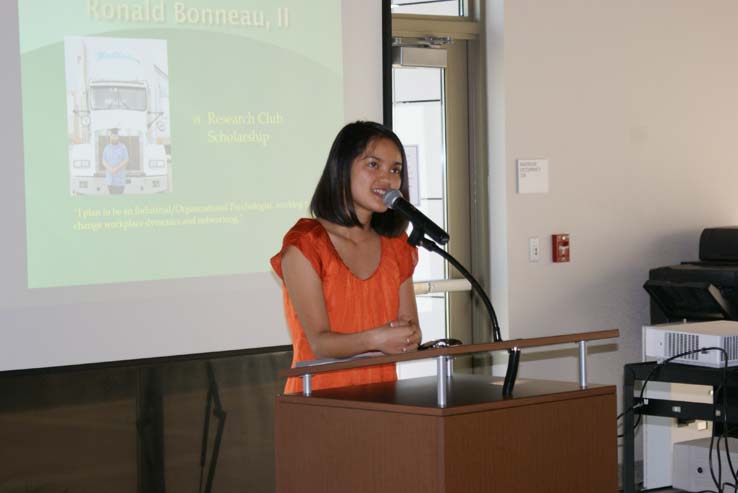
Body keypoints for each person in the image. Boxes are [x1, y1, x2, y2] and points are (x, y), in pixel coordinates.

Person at [270, 121, 422, 393]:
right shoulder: (306, 244)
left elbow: (412, 332)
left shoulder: (396, 246)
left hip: (385, 397)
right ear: (341, 168)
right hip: (319, 399)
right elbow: (319, 343)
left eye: (395, 170)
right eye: (373, 165)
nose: (387, 179)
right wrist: (377, 339)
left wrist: (408, 337)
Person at [102, 128, 129, 194]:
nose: (114, 138)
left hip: (120, 180)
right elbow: (103, 161)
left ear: (118, 137)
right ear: (110, 137)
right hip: (110, 180)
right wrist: (111, 169)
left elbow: (126, 160)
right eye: (112, 136)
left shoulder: (123, 147)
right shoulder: (107, 148)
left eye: (115, 136)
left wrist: (116, 169)